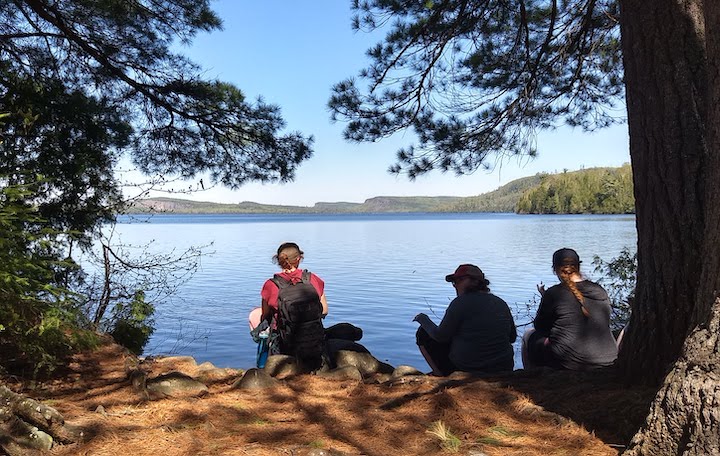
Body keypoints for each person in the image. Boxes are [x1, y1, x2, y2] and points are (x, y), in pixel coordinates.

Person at [521, 248, 618, 370]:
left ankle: (530, 376)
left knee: (528, 335)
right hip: (609, 357)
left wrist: (546, 300)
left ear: (555, 269)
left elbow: (540, 326)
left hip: (570, 361)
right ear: (578, 267)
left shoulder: (555, 293)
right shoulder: (600, 291)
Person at [413, 264, 517, 376]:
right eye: (454, 282)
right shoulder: (500, 302)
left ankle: (440, 376)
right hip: (504, 367)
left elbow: (440, 336)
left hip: (467, 368)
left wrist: (423, 319)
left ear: (475, 282)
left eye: (459, 281)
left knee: (423, 333)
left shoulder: (460, 303)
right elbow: (512, 337)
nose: (455, 285)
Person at [260, 242, 328, 368]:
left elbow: (264, 315)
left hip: (284, 343)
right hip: (313, 340)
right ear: (298, 259)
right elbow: (324, 310)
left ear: (279, 261)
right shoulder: (312, 279)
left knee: (258, 320)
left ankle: (264, 365)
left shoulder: (271, 285)